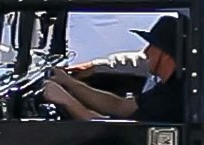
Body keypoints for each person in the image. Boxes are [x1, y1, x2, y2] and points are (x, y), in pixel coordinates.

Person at [42, 15, 183, 122]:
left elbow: (111, 130)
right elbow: (120, 106)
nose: (145, 52)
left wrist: (65, 100)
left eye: (152, 46)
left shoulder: (171, 99)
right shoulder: (169, 87)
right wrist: (69, 82)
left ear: (165, 54)